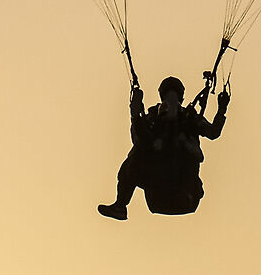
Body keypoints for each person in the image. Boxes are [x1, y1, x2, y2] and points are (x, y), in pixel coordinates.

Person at [98, 74, 230, 219]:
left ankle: (120, 204)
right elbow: (139, 139)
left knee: (140, 152)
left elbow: (212, 132)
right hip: (164, 190)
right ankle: (120, 205)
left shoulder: (189, 118)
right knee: (140, 151)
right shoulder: (155, 119)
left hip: (183, 191)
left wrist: (222, 109)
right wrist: (136, 115)